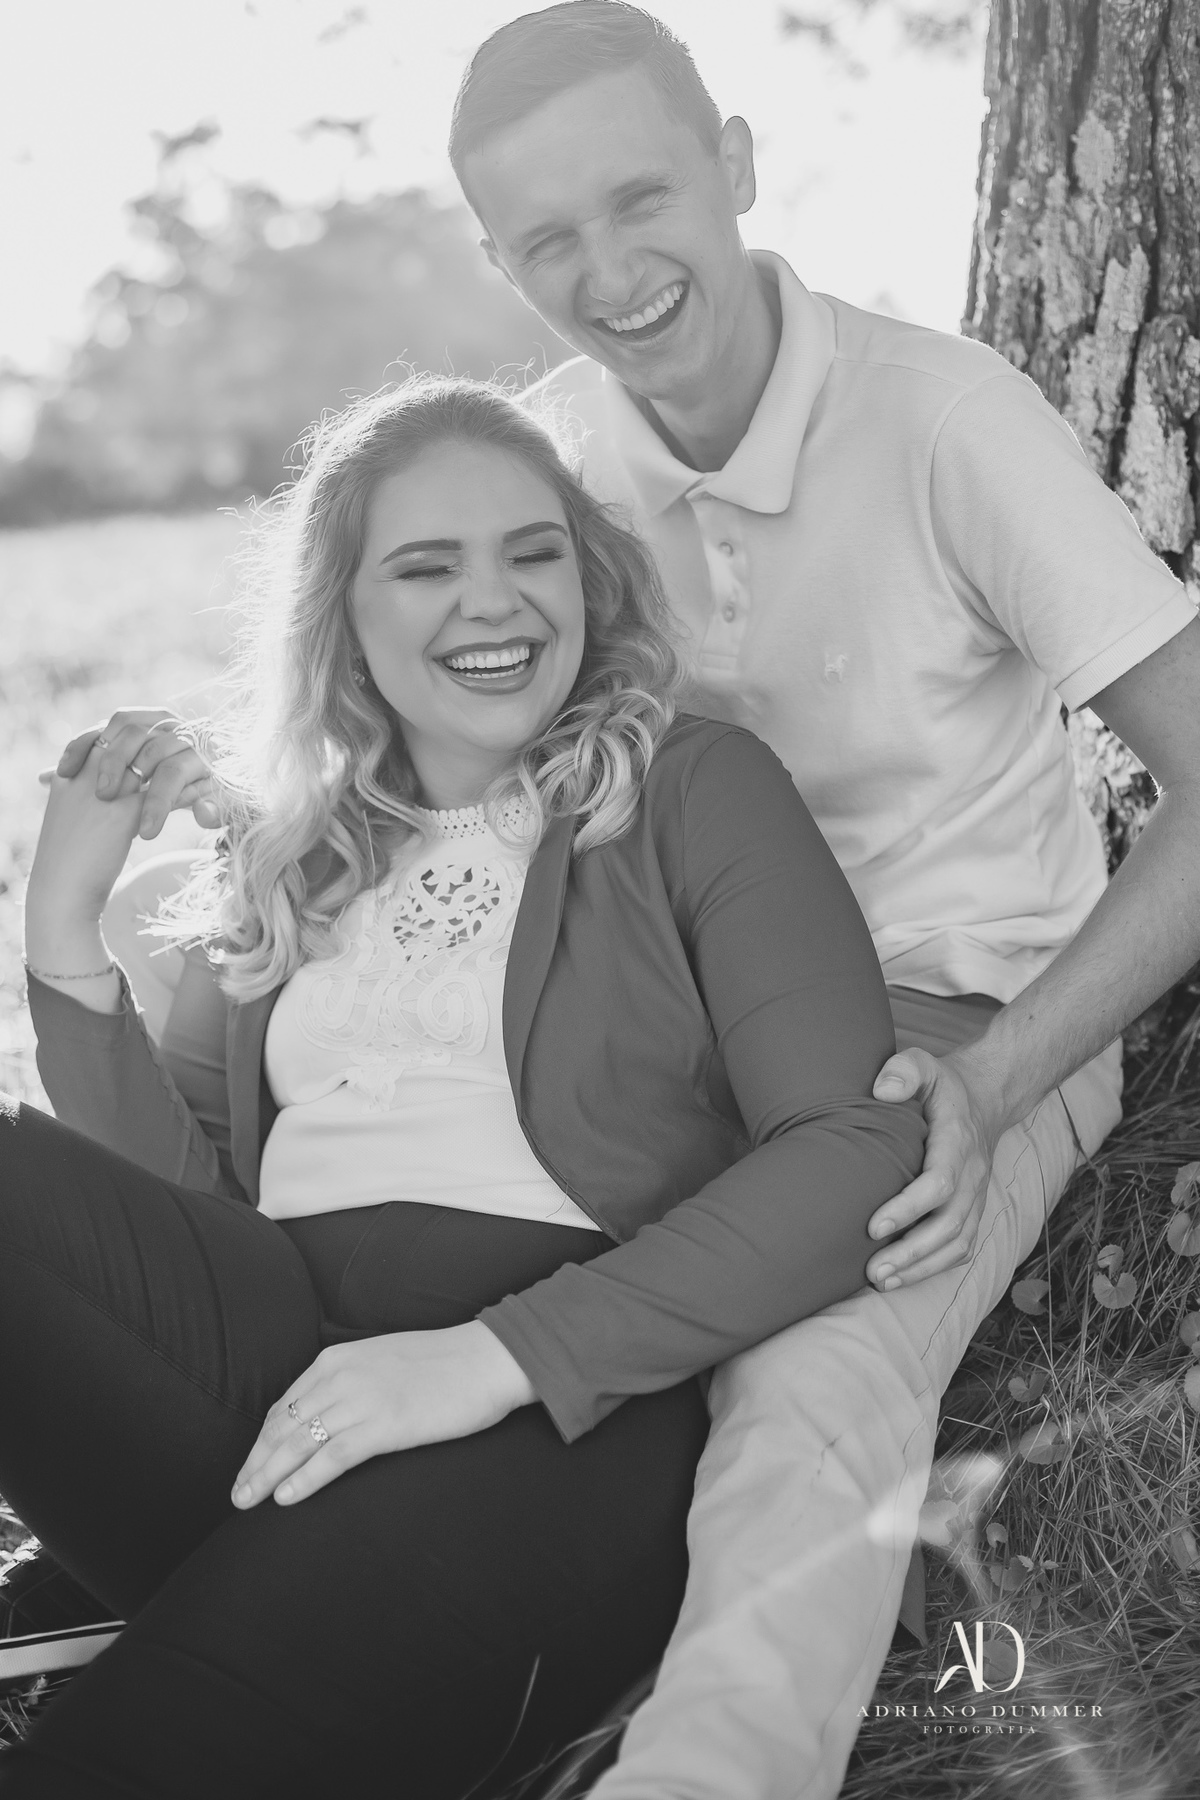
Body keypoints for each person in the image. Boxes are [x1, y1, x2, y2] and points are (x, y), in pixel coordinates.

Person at [446, 5, 1200, 1795]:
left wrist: (998, 1081)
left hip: (942, 1033)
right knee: (420, 1299)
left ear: (734, 164)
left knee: (809, 1391)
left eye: (641, 198)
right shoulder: (543, 474)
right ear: (495, 262)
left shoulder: (945, 422)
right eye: (547, 240)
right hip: (649, 1022)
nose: (610, 274)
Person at [0, 377, 924, 1797]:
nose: (494, 602)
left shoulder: (690, 787)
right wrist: (63, 934)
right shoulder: (302, 854)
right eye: (427, 566)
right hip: (277, 1376)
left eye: (532, 552)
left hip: (554, 1412)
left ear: (587, 577)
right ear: (343, 616)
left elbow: (855, 1145)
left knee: (137, 1752)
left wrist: (488, 1360)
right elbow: (186, 1214)